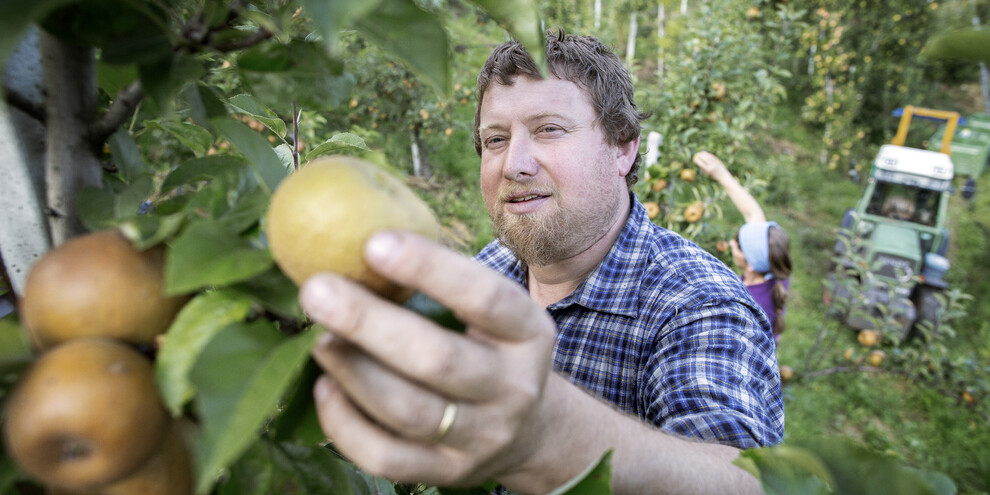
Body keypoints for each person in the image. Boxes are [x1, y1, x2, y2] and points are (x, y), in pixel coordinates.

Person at [300, 31, 783, 494]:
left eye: (548, 130)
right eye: (495, 140)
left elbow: (742, 476)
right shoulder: (489, 270)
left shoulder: (698, 303)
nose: (515, 164)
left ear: (623, 146)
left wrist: (550, 438)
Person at [692, 151, 792, 344]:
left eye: (737, 247)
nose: (730, 244)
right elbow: (752, 213)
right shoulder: (777, 267)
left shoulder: (745, 306)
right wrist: (720, 173)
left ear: (751, 265)